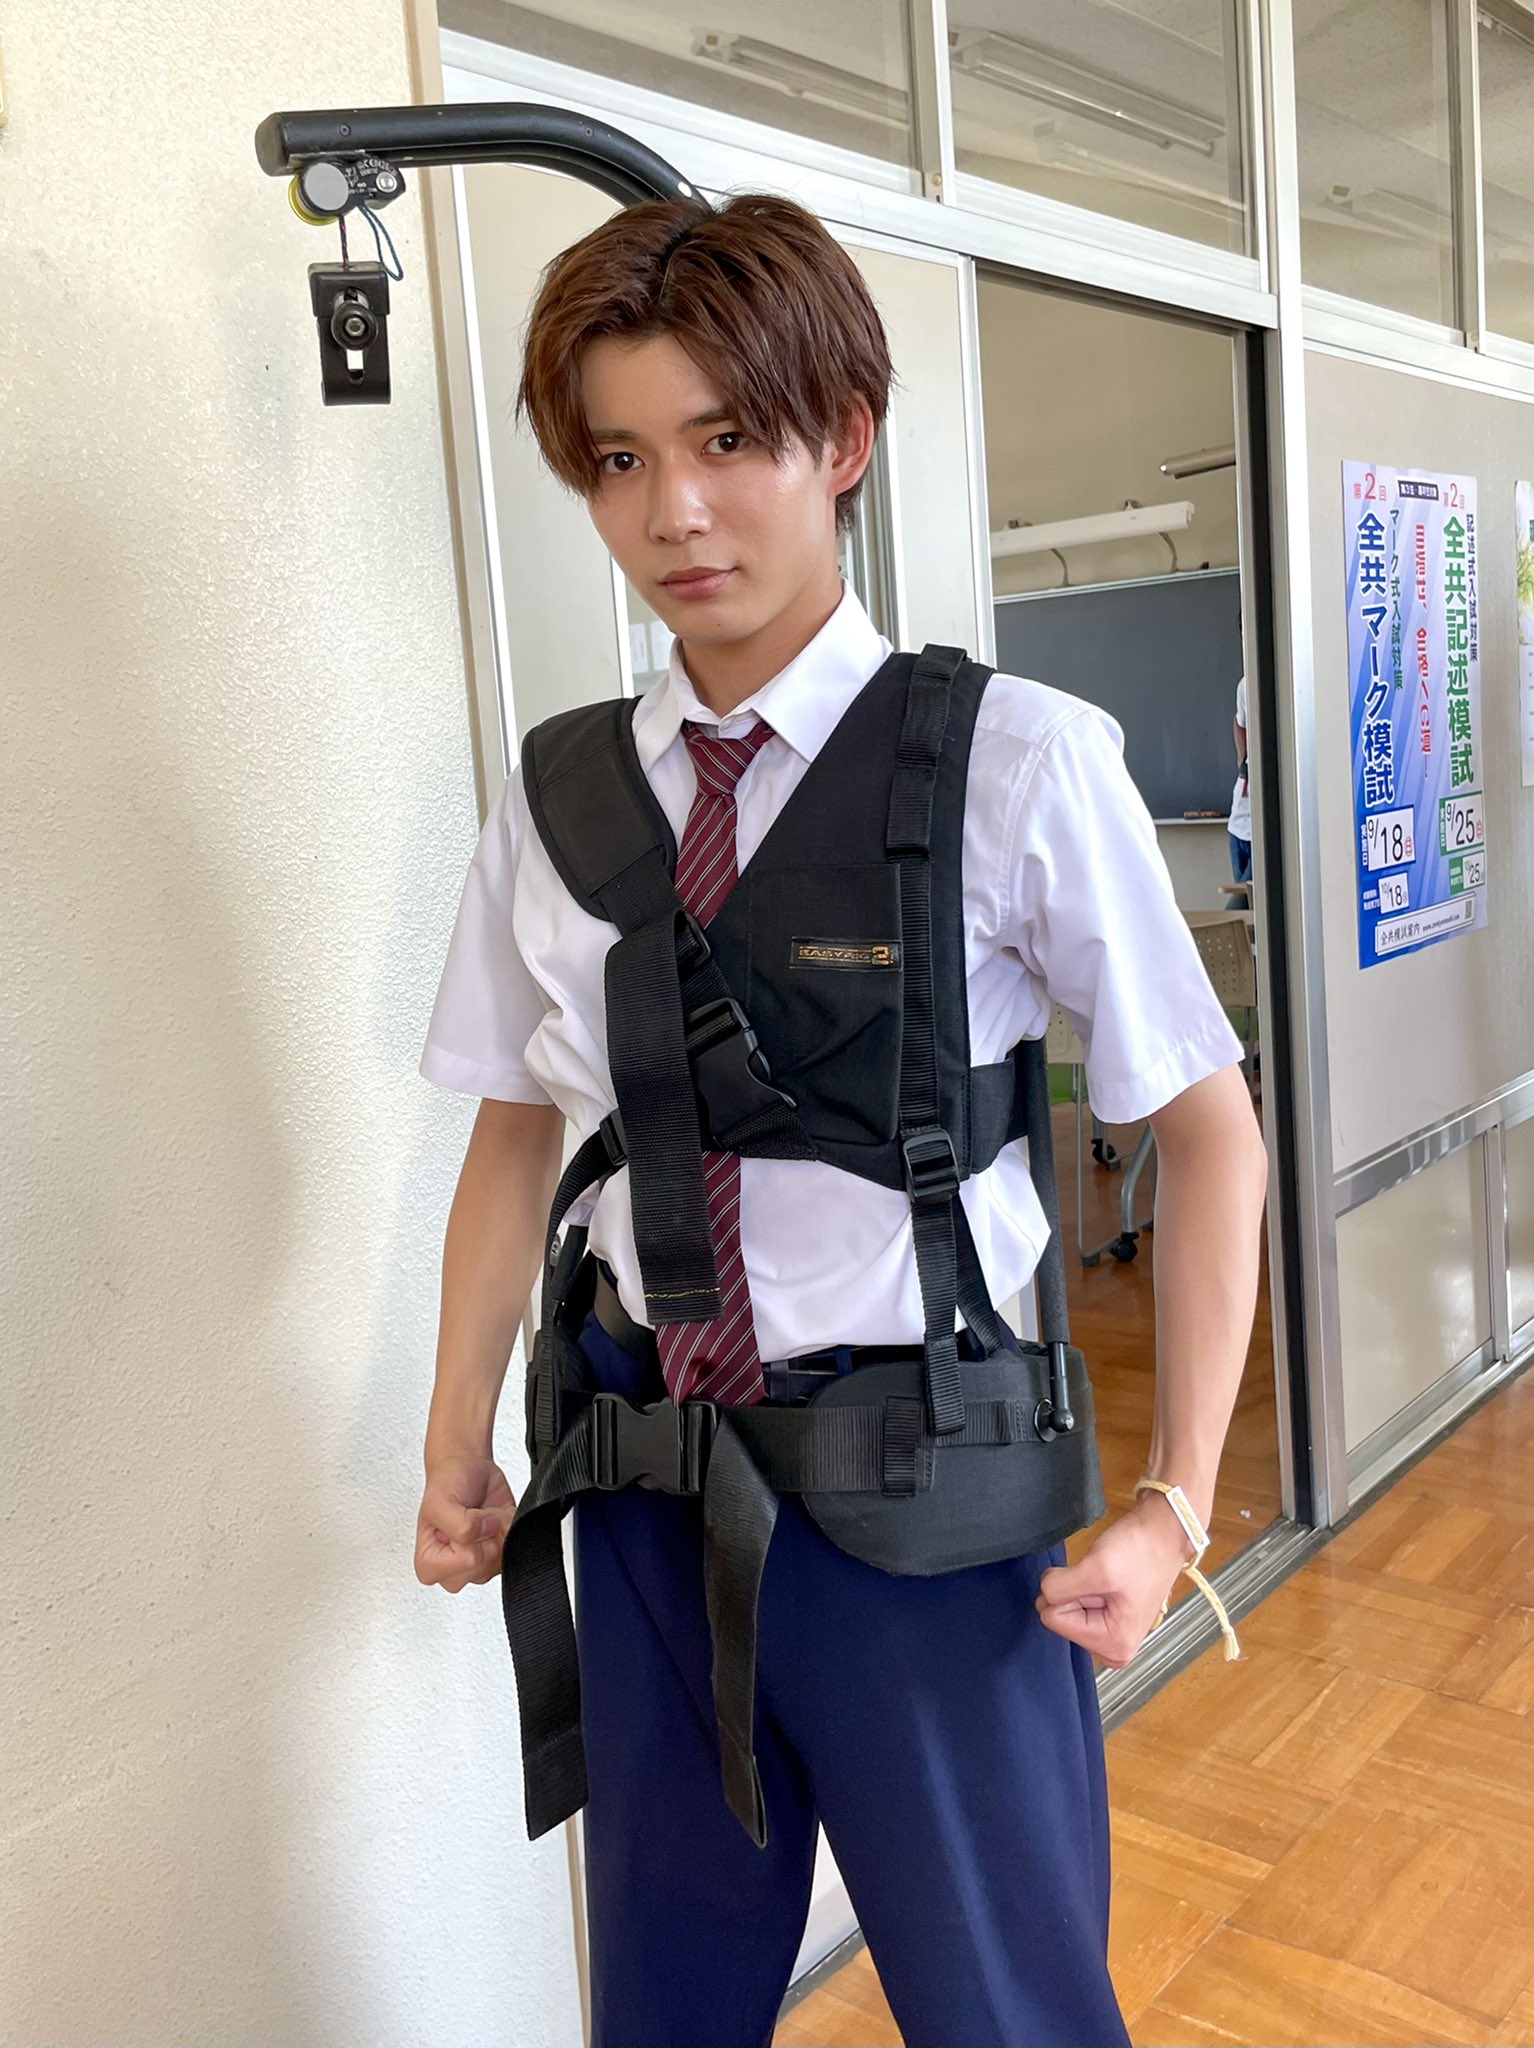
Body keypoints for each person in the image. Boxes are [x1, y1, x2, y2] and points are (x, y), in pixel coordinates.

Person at [412, 191, 1269, 2048]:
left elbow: (1211, 1133)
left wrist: (1175, 1503)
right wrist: (455, 1428)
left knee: (1006, 2013)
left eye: (728, 440)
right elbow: (511, 1128)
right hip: (646, 1488)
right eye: (620, 459)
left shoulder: (1017, 763)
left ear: (844, 438)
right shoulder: (559, 801)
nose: (675, 511)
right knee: (665, 2010)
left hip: (926, 1508)